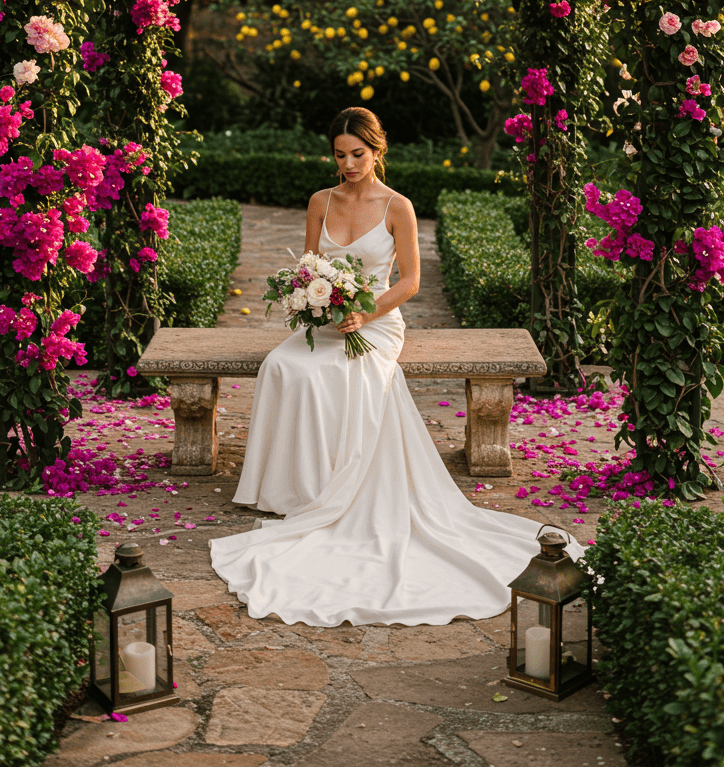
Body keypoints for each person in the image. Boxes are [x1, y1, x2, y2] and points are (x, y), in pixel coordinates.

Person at [209, 106, 582, 627]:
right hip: (327, 317)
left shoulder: (397, 206)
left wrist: (364, 312)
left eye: (357, 154)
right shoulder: (320, 200)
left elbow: (409, 282)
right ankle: (290, 488)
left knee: (337, 373)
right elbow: (309, 267)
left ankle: (330, 491)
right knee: (283, 366)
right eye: (339, 155)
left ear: (376, 151)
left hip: (377, 320)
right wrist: (314, 303)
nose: (348, 164)